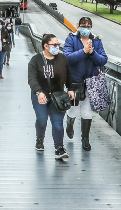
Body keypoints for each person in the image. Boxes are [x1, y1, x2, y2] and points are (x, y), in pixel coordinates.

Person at [63, 17, 108, 151]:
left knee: (87, 111)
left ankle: (85, 139)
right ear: (78, 26)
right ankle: (70, 123)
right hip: (75, 81)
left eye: (88, 26)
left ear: (91, 27)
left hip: (92, 81)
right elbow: (67, 57)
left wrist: (92, 52)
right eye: (83, 25)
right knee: (74, 109)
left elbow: (103, 60)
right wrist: (83, 51)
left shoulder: (97, 41)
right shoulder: (71, 39)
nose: (85, 28)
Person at [28, 33, 75, 161]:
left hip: (58, 96)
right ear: (46, 46)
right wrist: (39, 92)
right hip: (40, 96)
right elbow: (32, 79)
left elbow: (69, 75)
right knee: (42, 120)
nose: (57, 47)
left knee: (58, 123)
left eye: (58, 44)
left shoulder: (62, 59)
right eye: (54, 45)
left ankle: (59, 148)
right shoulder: (36, 60)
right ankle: (39, 139)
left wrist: (70, 88)